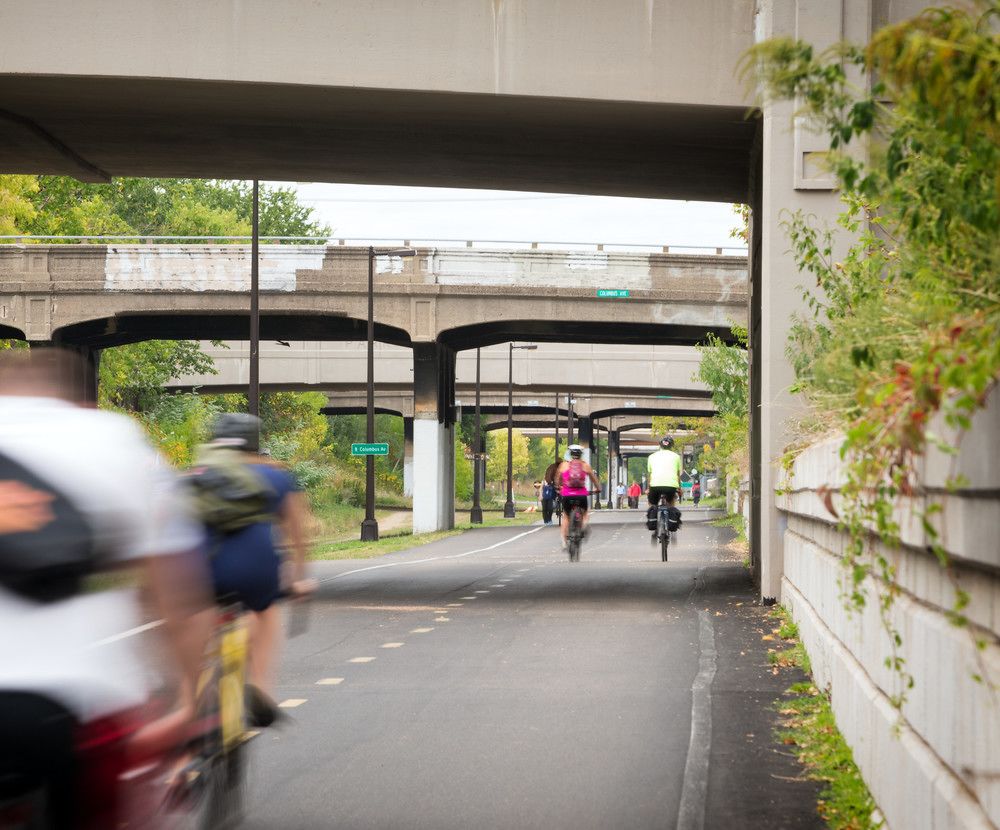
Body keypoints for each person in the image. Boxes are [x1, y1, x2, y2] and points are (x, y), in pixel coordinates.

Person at [0, 349, 213, 827]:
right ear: (81, 400)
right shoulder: (113, 441)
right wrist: (186, 704)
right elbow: (176, 598)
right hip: (79, 707)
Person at [197, 413, 316, 724]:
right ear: (255, 443)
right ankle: (260, 687)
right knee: (265, 610)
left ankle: (190, 699)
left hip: (200, 566)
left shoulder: (196, 474)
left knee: (198, 618)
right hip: (256, 567)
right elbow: (299, 536)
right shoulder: (276, 476)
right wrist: (299, 578)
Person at [555, 444, 600, 549]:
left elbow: (558, 479)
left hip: (567, 494)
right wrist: (598, 488)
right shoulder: (585, 466)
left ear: (570, 454)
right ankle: (583, 526)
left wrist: (558, 487)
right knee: (584, 513)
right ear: (581, 455)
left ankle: (564, 541)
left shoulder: (563, 465)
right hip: (581, 495)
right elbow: (594, 480)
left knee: (566, 516)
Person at [646, 436, 683, 542]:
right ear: (671, 446)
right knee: (670, 503)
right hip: (671, 486)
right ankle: (671, 525)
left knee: (652, 503)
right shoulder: (676, 457)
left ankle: (654, 520)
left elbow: (650, 475)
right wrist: (679, 489)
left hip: (655, 485)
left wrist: (649, 489)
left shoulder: (651, 456)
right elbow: (677, 474)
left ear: (660, 445)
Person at [542, 459, 561, 525]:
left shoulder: (558, 469)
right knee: (547, 506)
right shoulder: (552, 468)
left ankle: (548, 520)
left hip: (555, 486)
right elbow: (548, 477)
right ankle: (547, 520)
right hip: (551, 487)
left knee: (548, 506)